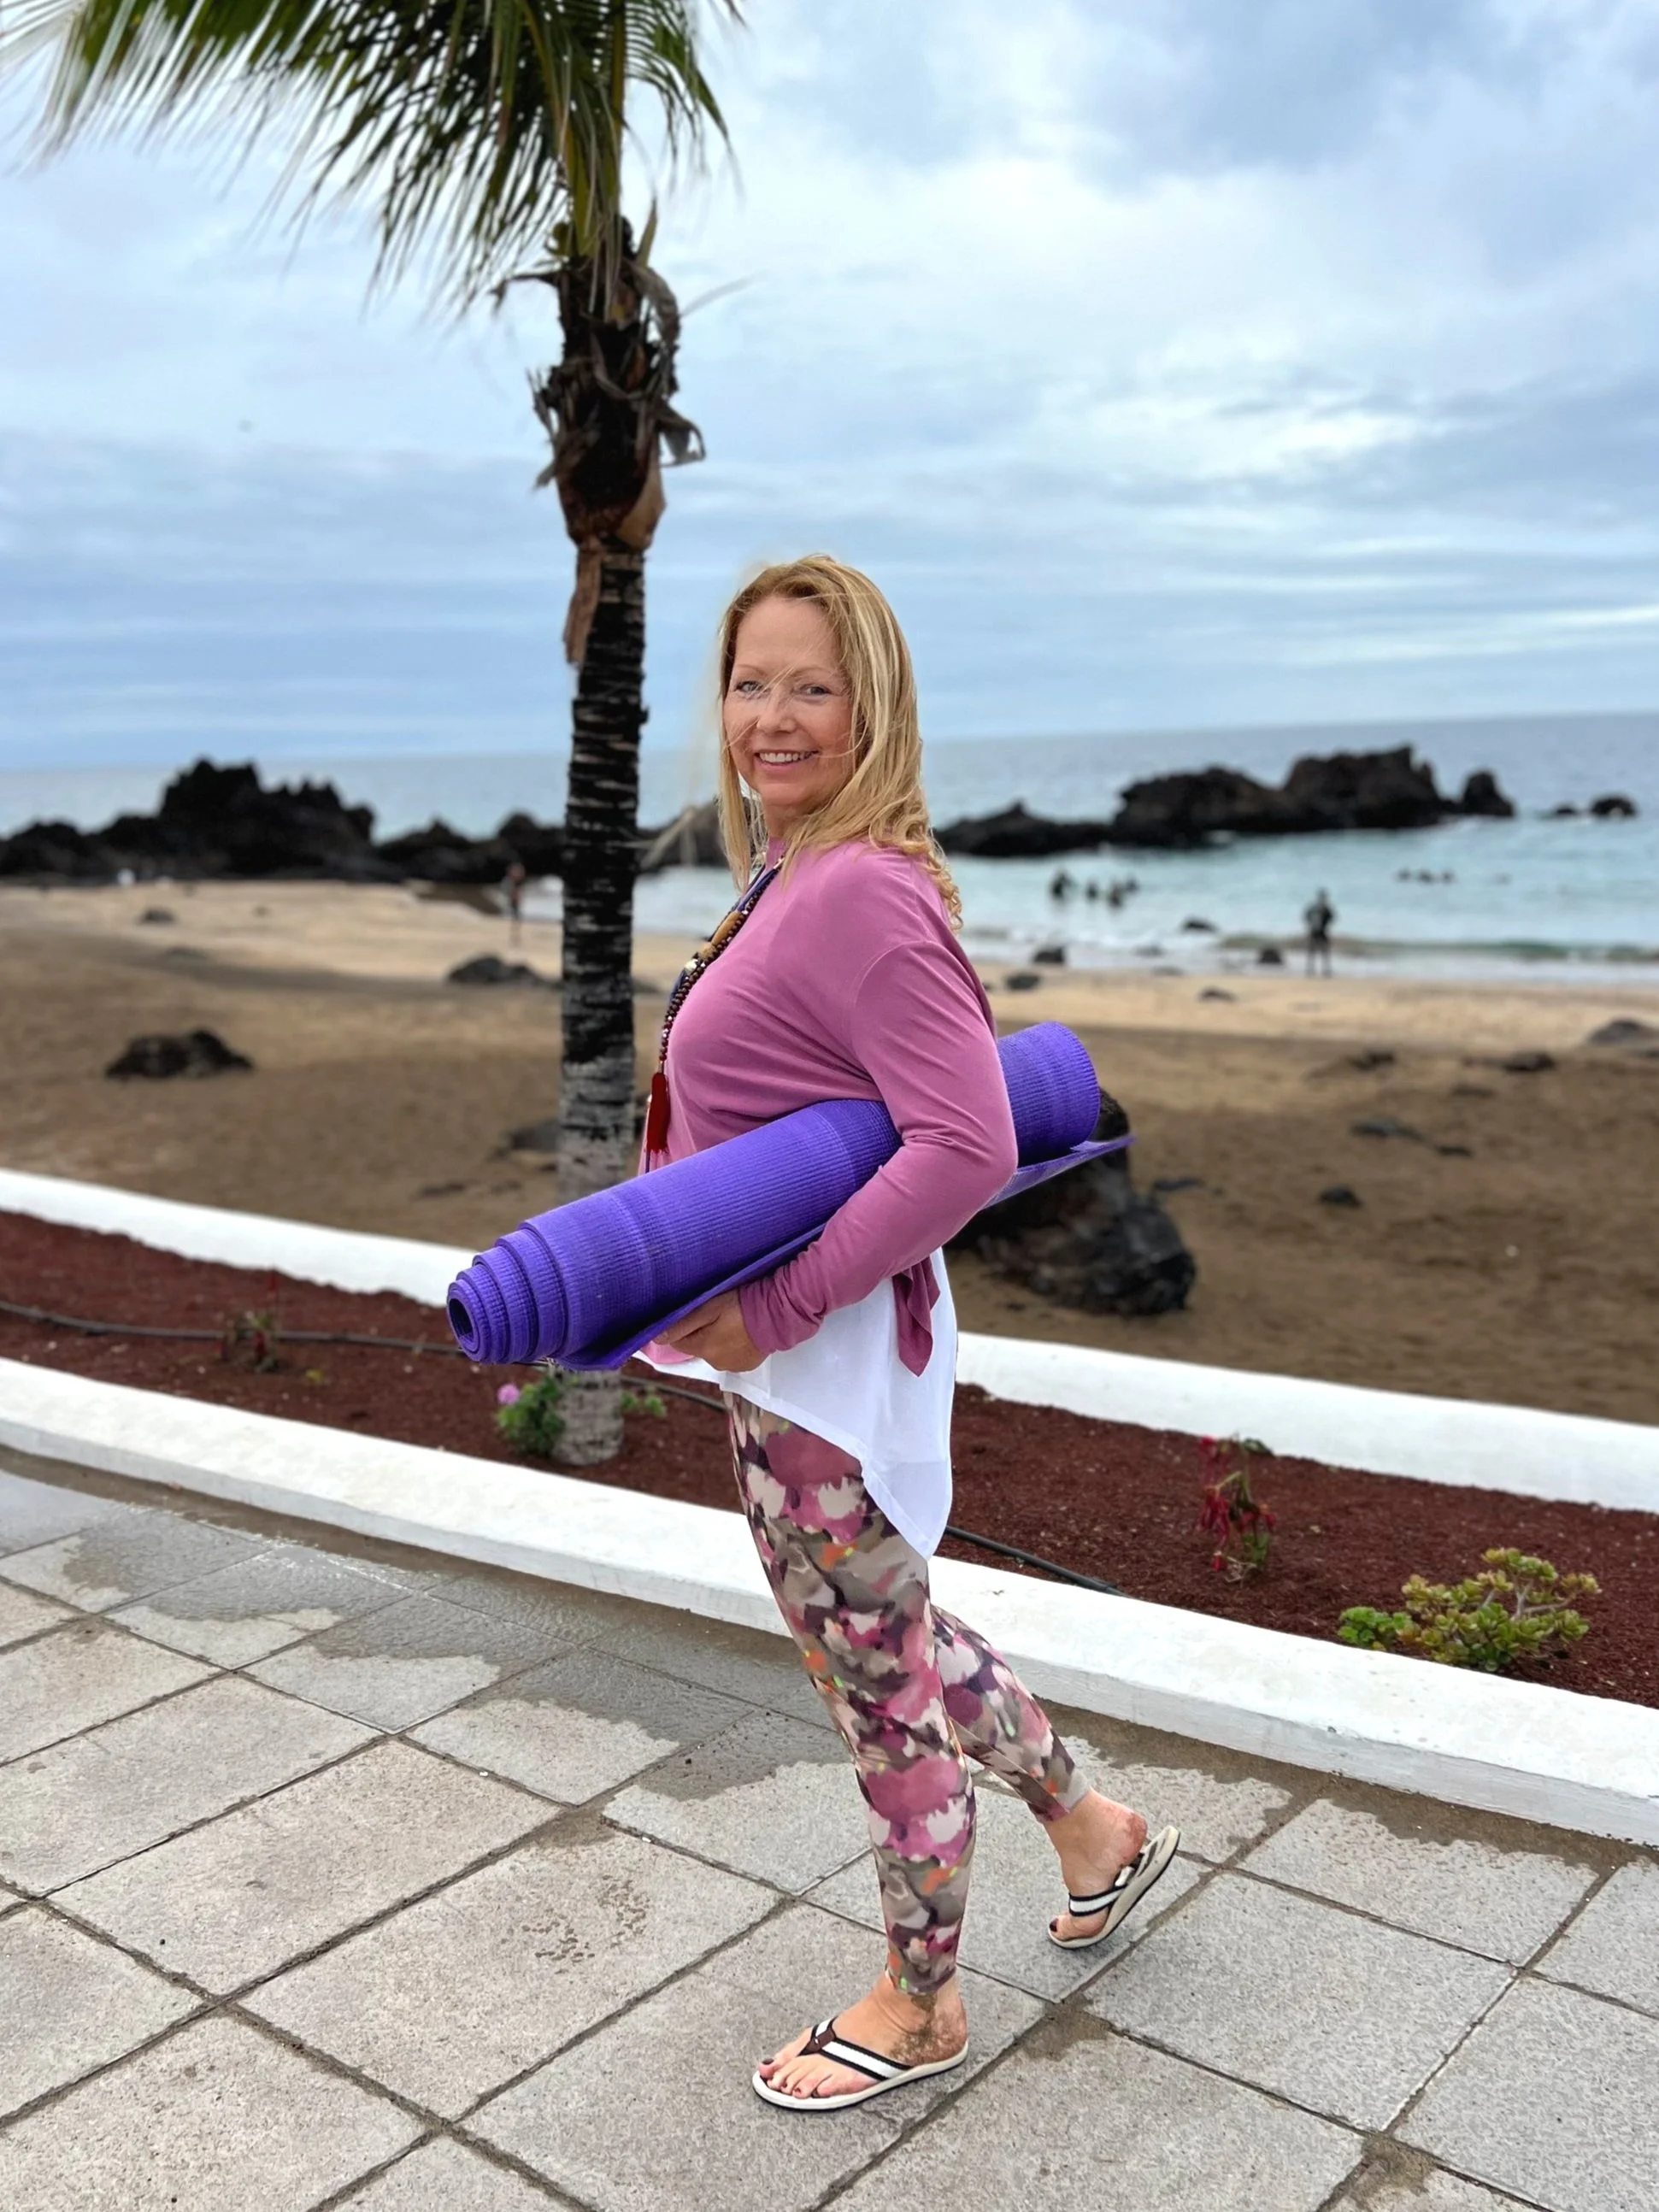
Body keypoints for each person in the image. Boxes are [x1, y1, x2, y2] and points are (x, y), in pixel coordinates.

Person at [641, 556, 1179, 2112]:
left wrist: (777, 1305)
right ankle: (1095, 1832)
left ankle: (924, 2003)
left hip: (822, 1361)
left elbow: (962, 1144)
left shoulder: (860, 888)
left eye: (811, 686)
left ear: (871, 704)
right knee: (893, 1632)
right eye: (750, 682)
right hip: (790, 1354)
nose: (772, 715)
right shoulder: (795, 865)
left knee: (875, 1683)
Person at [1303, 886, 1335, 976]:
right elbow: (1306, 916)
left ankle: (1325, 970)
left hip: (1322, 932)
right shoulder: (1314, 908)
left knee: (1324, 952)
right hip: (1315, 932)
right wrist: (1311, 924)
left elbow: (1331, 918)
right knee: (1312, 951)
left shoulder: (1326, 909)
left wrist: (1324, 925)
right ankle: (1311, 969)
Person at [503, 857, 527, 946]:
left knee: (516, 917)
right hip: (514, 899)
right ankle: (514, 936)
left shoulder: (515, 883)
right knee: (515, 917)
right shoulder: (512, 883)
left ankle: (515, 936)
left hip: (515, 900)